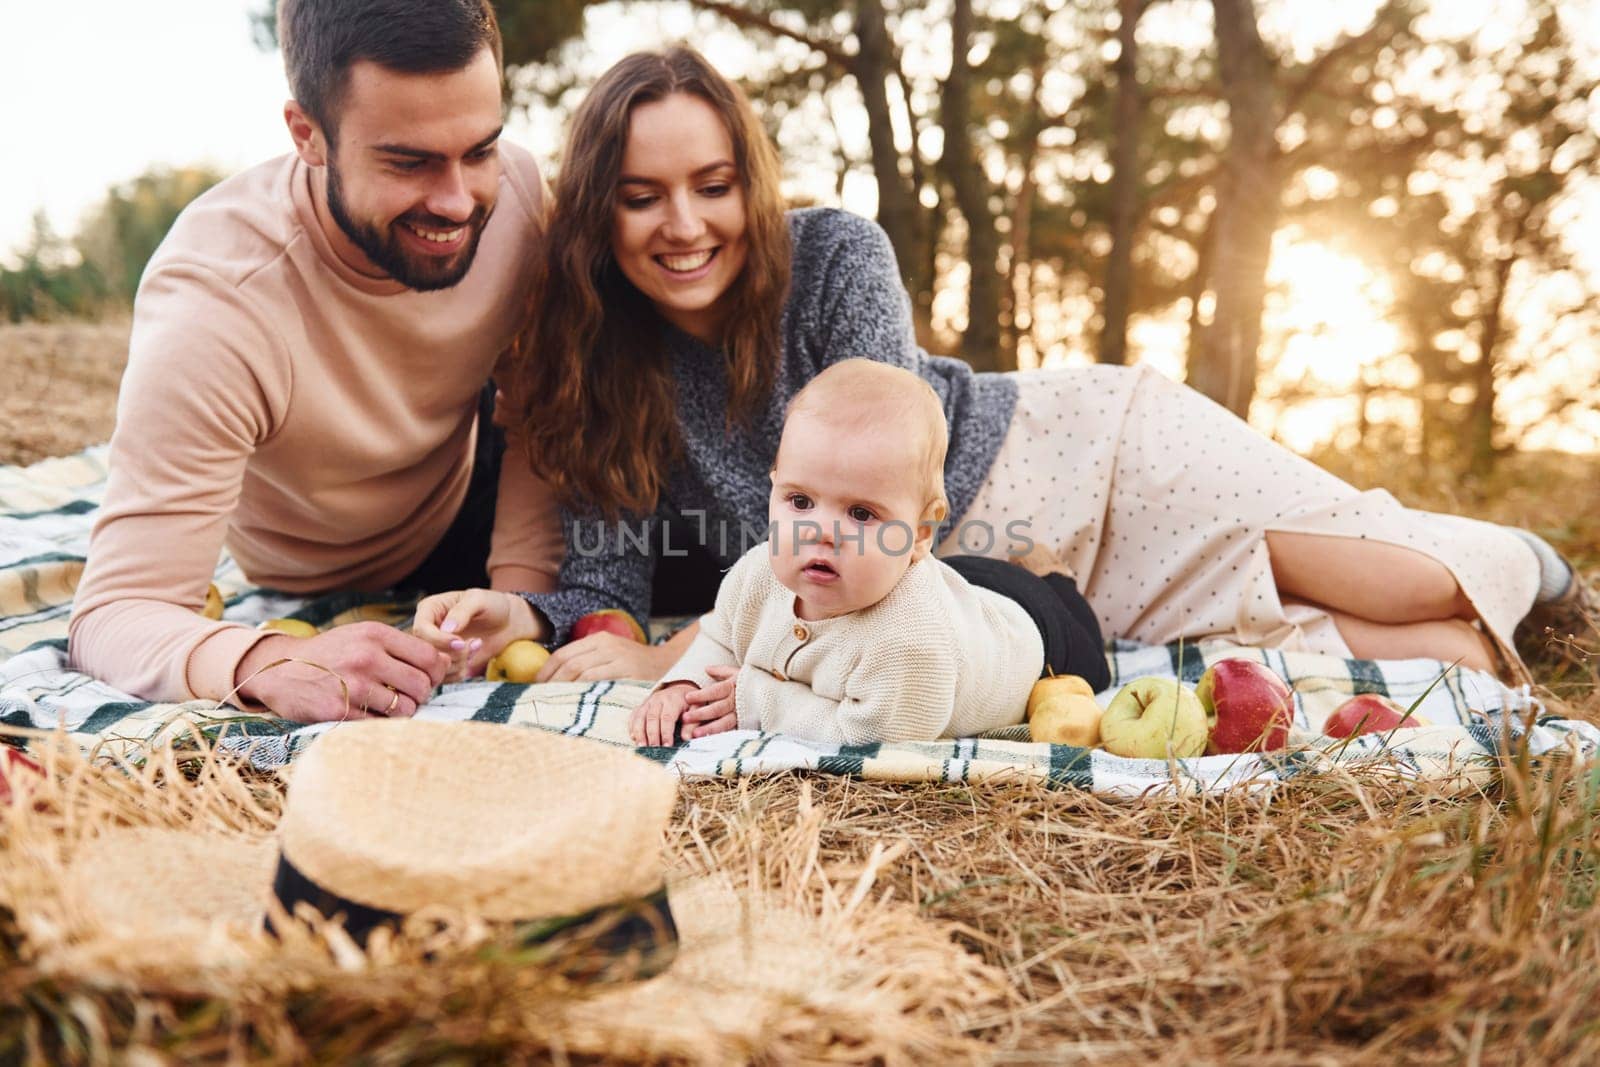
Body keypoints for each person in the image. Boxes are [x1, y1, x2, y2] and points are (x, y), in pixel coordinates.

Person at [416, 46, 1582, 687]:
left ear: (749, 185)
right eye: (641, 195)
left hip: (1079, 460)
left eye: (712, 185)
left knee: (1404, 579)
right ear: (597, 217)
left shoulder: (831, 257)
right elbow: (604, 591)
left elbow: (884, 473)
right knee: (1444, 652)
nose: (685, 223)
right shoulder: (592, 368)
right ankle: (1528, 620)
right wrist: (523, 611)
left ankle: (1533, 565)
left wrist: (683, 652)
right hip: (993, 593)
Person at [67, 0, 564, 723]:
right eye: (409, 161)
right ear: (308, 135)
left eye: (479, 150)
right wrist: (268, 659)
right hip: (318, 568)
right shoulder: (215, 305)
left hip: (474, 498)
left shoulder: (516, 196)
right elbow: (113, 615)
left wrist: (518, 595)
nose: (459, 202)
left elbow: (533, 415)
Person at [616, 360, 1108, 747]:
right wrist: (680, 685)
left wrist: (761, 702)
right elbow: (720, 639)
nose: (820, 534)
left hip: (1030, 626)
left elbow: (871, 735)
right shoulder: (756, 575)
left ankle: (1053, 575)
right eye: (800, 502)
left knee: (1091, 657)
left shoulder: (910, 644)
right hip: (950, 581)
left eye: (861, 514)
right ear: (773, 491)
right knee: (957, 582)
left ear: (920, 532)